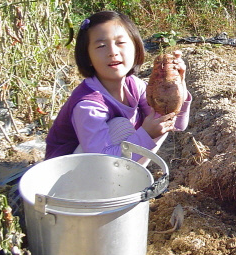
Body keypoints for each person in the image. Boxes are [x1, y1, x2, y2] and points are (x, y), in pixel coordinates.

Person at [45, 10, 192, 163]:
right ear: (87, 57)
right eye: (101, 46)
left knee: (159, 120)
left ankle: (130, 182)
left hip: (110, 168)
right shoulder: (88, 106)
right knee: (121, 126)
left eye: (120, 43)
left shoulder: (135, 85)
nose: (113, 52)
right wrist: (146, 134)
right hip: (70, 176)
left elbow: (175, 124)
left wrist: (177, 84)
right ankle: (120, 185)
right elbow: (103, 160)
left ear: (135, 48)